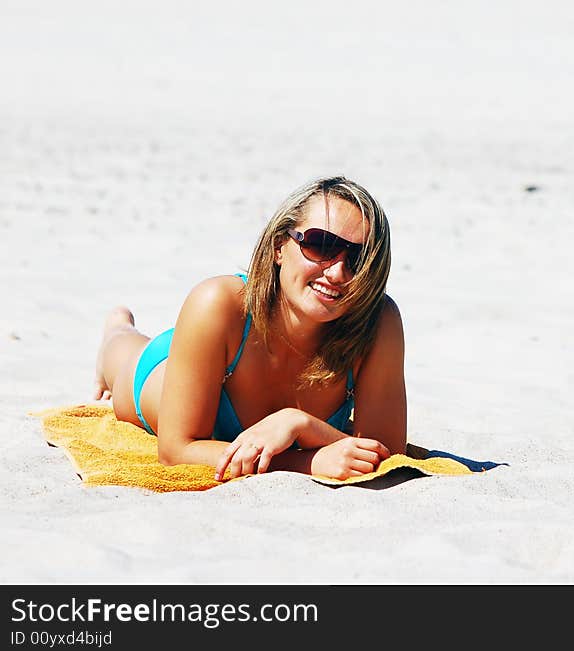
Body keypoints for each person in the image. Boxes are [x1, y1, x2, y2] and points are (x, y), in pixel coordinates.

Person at [92, 176, 406, 482]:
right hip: (166, 365)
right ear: (279, 246)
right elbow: (176, 451)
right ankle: (117, 324)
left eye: (358, 258)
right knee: (121, 349)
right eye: (321, 245)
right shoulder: (217, 302)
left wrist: (302, 425)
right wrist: (307, 460)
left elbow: (388, 455)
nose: (338, 272)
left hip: (218, 349)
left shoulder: (377, 324)